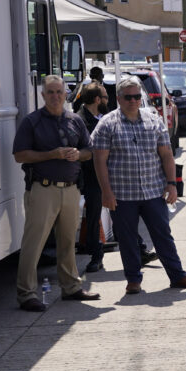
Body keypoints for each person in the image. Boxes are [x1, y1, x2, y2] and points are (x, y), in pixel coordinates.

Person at [91, 75, 186, 295]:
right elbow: (99, 160)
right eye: (128, 97)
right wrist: (106, 192)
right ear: (119, 99)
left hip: (152, 191)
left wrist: (171, 185)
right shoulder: (107, 124)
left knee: (163, 235)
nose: (133, 101)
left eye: (136, 97)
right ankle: (133, 280)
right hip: (122, 195)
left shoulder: (154, 121)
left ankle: (178, 276)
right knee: (127, 238)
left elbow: (167, 155)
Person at [12, 74, 100, 311]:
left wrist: (77, 154)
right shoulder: (32, 122)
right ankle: (27, 294)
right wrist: (52, 154)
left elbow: (88, 150)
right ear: (42, 95)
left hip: (70, 190)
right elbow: (20, 155)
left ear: (65, 94)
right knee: (34, 244)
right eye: (50, 92)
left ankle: (71, 287)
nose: (55, 96)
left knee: (68, 242)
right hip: (43, 189)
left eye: (59, 92)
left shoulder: (74, 120)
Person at [76, 82, 109, 273]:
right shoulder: (80, 120)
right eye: (105, 97)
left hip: (110, 175)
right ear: (97, 100)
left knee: (124, 213)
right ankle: (95, 256)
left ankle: (139, 249)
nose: (107, 101)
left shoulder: (104, 117)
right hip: (92, 176)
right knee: (94, 215)